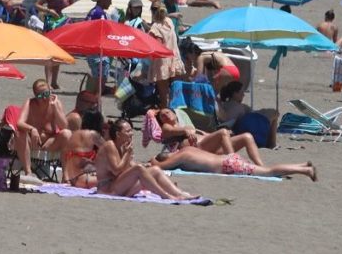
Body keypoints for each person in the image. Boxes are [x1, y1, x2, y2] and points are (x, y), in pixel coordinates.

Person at [97, 118, 197, 200]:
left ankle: (180, 193)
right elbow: (116, 171)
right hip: (108, 189)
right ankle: (166, 196)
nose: (131, 134)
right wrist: (127, 154)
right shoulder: (110, 145)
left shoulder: (121, 146)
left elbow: (129, 167)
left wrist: (145, 168)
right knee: (139, 169)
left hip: (120, 186)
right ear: (118, 134)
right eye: (128, 131)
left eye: (131, 130)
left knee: (155, 170)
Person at [152, 145, 316, 180]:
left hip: (228, 165)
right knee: (266, 170)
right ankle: (302, 165)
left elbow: (160, 167)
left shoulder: (181, 157)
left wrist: (151, 161)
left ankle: (305, 170)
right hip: (229, 158)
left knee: (269, 172)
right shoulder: (186, 149)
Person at [14, 80, 71, 179]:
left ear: (50, 91)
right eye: (40, 96)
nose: (44, 98)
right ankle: (28, 172)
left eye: (46, 94)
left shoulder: (56, 103)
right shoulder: (30, 103)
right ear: (35, 96)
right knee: (19, 133)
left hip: (49, 144)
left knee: (67, 134)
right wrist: (32, 129)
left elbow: (64, 126)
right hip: (33, 143)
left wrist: (55, 107)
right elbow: (19, 123)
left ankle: (65, 176)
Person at [36, 0, 75, 89]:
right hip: (51, 25)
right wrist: (49, 10)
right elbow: (37, 4)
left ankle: (54, 81)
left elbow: (73, 7)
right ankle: (48, 82)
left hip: (63, 26)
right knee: (49, 54)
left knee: (58, 54)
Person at [217, 81, 278, 149]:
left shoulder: (227, 104)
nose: (243, 95)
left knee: (271, 113)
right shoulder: (237, 107)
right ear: (235, 94)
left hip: (242, 129)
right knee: (274, 113)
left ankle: (271, 143)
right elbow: (228, 121)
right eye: (241, 92)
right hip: (243, 131)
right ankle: (272, 144)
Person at [147, 3, 182, 108]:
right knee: (175, 94)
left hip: (161, 63)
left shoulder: (155, 27)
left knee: (164, 97)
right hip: (174, 59)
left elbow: (158, 46)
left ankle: (165, 113)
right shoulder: (169, 22)